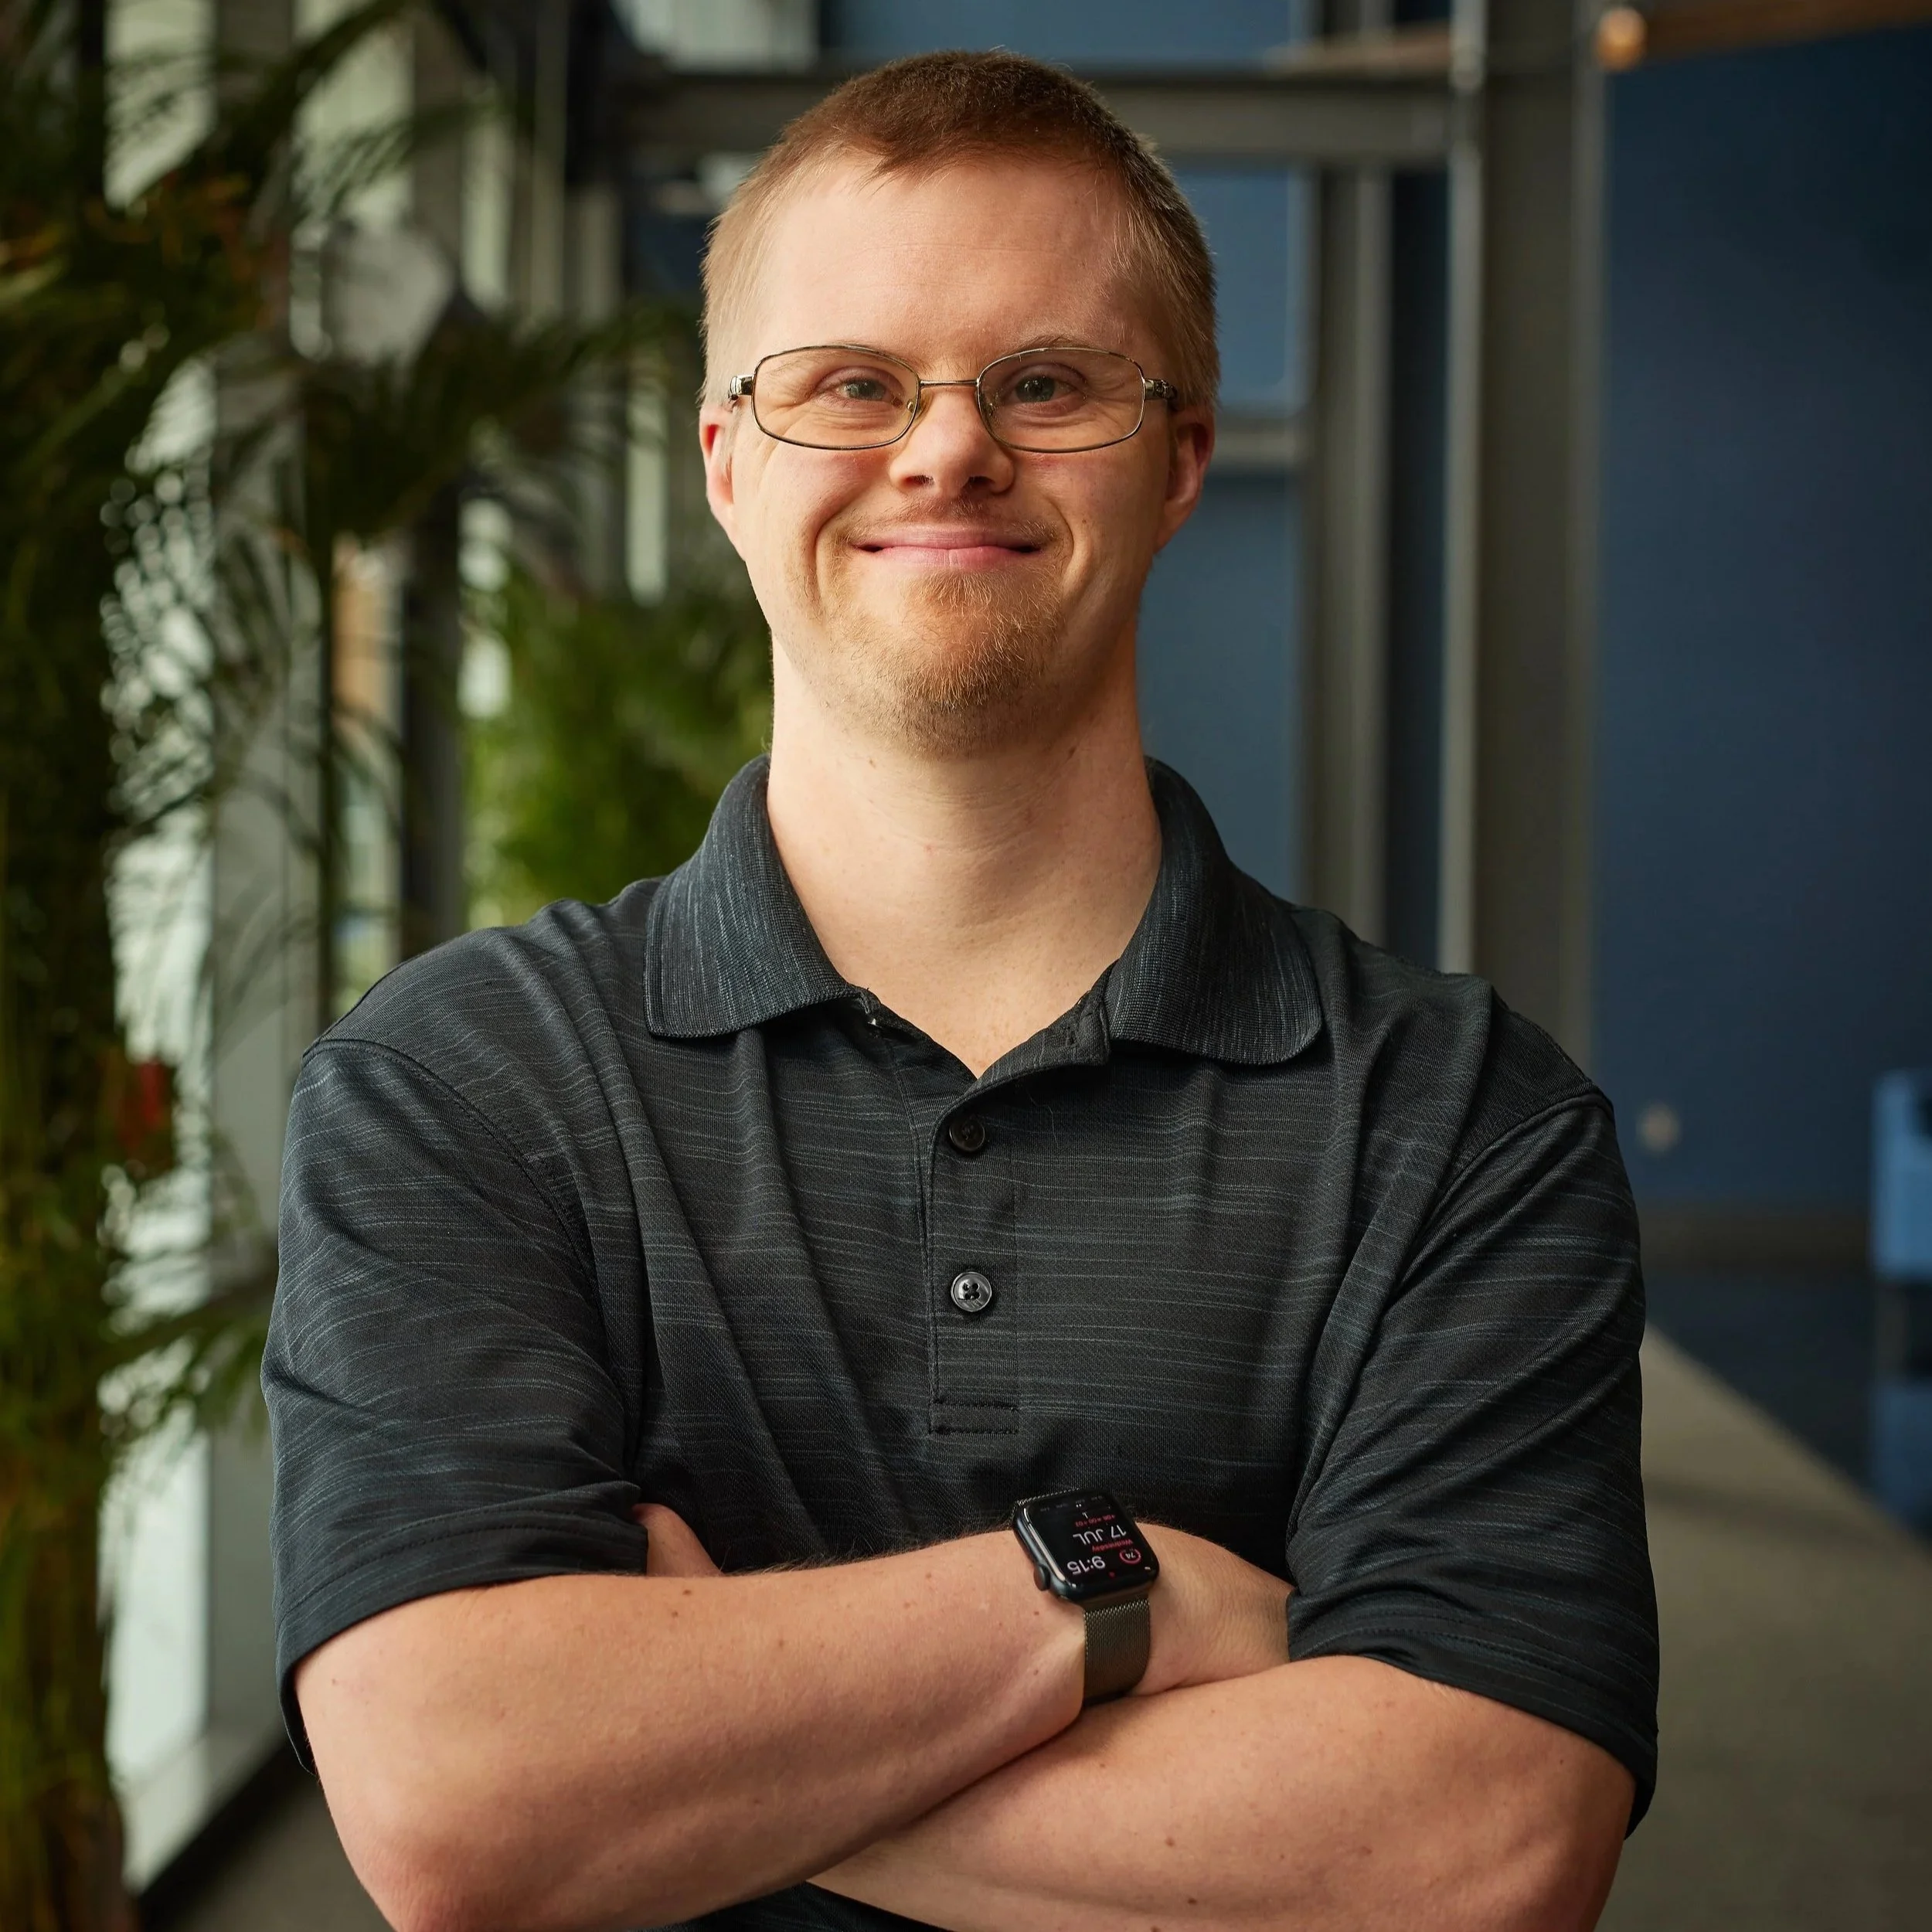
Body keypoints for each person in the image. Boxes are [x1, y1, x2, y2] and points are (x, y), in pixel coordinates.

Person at [267, 49, 1657, 1932]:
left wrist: (690, 1749)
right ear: (726, 462)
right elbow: (452, 1797)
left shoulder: (1463, 1122)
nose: (944, 448)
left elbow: (1476, 1850)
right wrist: (1108, 1590)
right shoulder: (458, 1080)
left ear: (1176, 462)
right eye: (848, 381)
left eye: (1045, 381)